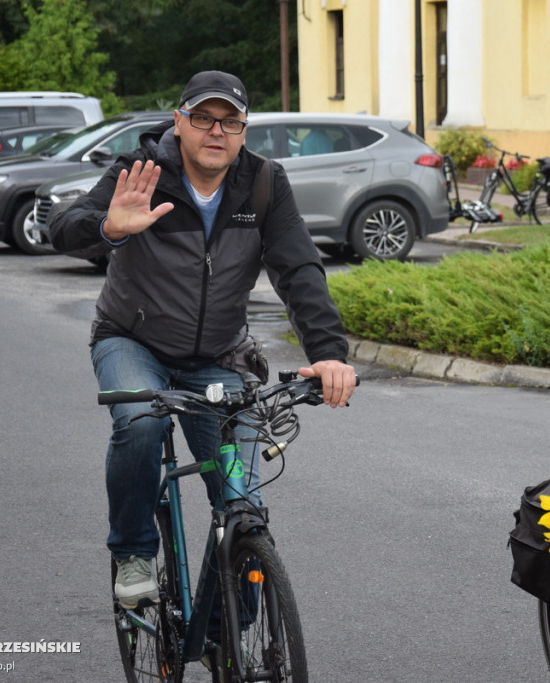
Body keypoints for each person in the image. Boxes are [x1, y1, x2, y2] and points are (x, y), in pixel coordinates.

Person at [48, 70, 357, 610]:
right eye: (204, 118)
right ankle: (134, 552)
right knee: (141, 422)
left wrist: (328, 353)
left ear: (243, 130)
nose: (217, 131)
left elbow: (300, 270)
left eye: (230, 121)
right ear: (179, 122)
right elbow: (64, 224)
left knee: (242, 504)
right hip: (131, 341)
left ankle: (227, 632)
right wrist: (109, 229)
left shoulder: (262, 183)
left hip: (217, 355)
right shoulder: (140, 172)